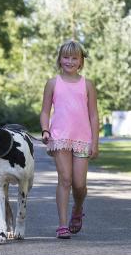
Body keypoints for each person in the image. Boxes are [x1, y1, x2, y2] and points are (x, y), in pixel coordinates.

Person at [39, 39, 99, 239]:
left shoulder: (88, 85)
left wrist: (95, 143)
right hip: (60, 138)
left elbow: (93, 115)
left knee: (79, 184)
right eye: (66, 57)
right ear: (59, 59)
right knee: (65, 179)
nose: (70, 61)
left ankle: (78, 208)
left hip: (82, 139)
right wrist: (45, 130)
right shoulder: (52, 83)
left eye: (74, 58)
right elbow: (45, 111)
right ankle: (62, 225)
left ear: (81, 61)